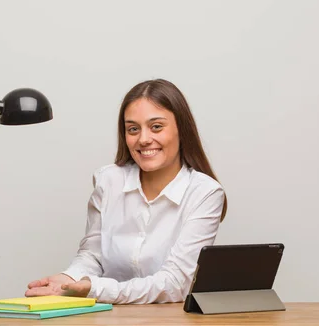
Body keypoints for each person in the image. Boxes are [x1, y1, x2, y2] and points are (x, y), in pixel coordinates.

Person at [25, 78, 228, 304]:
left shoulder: (205, 193)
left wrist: (95, 289)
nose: (143, 139)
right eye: (133, 129)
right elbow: (93, 256)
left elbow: (175, 284)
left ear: (182, 129)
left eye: (156, 127)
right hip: (112, 318)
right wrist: (66, 280)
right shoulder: (108, 180)